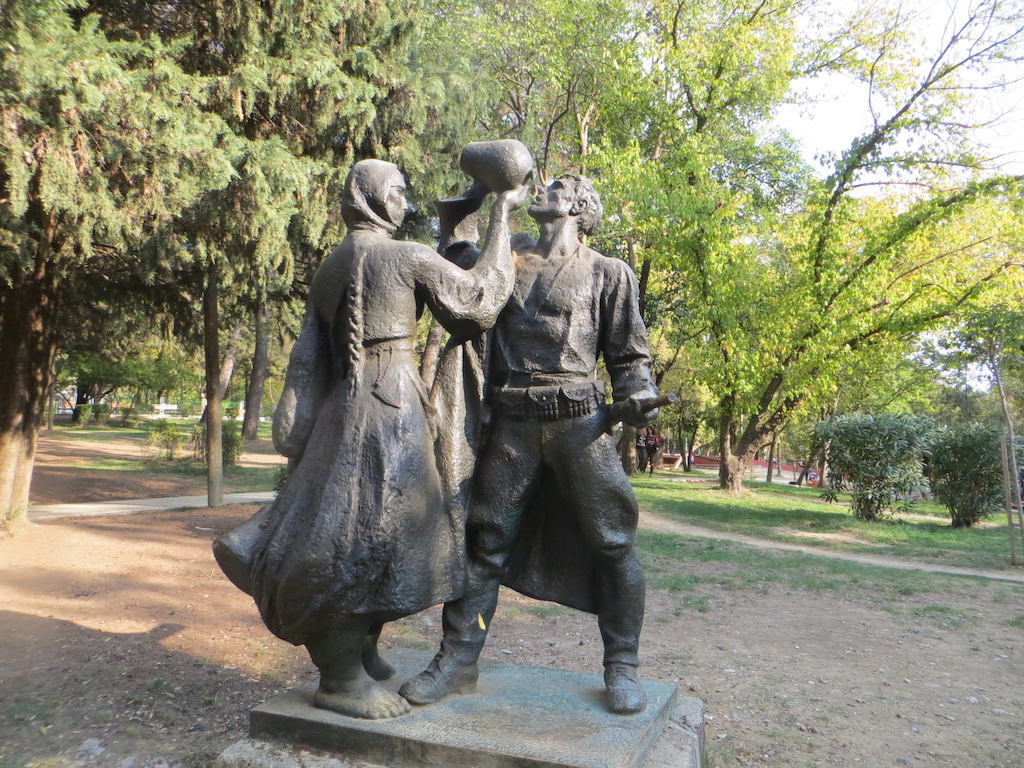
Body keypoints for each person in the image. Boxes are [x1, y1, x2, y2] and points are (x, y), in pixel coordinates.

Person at [213, 159, 527, 720]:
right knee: (376, 533)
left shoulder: (331, 265)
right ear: (375, 198)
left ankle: (362, 648)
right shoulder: (402, 256)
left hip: (345, 407)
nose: (406, 203)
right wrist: (501, 216)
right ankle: (340, 679)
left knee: (359, 522)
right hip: (390, 405)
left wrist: (297, 418)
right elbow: (477, 304)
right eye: (400, 193)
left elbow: (307, 357)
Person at [401, 174, 660, 715]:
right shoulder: (507, 257)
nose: (545, 187)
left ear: (580, 207)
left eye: (560, 186)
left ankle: (623, 666)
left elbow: (631, 360)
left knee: (613, 542)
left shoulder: (609, 273)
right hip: (512, 424)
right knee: (484, 541)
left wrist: (638, 396)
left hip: (580, 426)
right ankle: (457, 660)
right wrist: (478, 198)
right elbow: (454, 256)